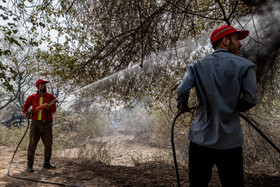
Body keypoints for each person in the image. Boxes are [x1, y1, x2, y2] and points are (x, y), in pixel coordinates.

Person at [177, 25, 258, 187]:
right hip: (230, 142)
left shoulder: (196, 65)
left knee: (198, 184)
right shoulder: (245, 65)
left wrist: (183, 106)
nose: (240, 44)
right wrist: (234, 108)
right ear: (226, 41)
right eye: (236, 40)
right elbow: (251, 99)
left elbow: (183, 89)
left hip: (200, 141)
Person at [23, 79, 57, 172]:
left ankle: (46, 163)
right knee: (32, 144)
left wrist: (49, 107)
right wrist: (25, 113)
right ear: (38, 87)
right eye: (42, 84)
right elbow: (25, 107)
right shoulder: (32, 97)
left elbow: (54, 110)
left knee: (48, 144)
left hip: (47, 124)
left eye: (45, 84)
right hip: (35, 124)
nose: (45, 86)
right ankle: (29, 165)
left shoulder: (51, 97)